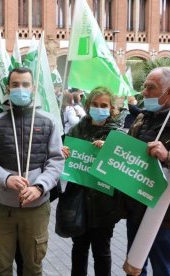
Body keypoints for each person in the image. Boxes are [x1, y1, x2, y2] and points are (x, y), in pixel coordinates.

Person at [0, 67, 65, 275]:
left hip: (36, 207)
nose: (20, 89)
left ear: (33, 88)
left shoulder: (48, 121)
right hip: (0, 206)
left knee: (33, 265)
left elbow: (56, 160)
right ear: (8, 88)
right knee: (1, 265)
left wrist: (40, 186)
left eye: (25, 84)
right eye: (15, 85)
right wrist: (5, 179)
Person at [61, 87, 124, 276]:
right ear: (87, 106)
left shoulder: (118, 134)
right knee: (79, 249)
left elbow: (122, 170)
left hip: (104, 205)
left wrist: (110, 150)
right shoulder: (77, 129)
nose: (99, 108)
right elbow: (64, 159)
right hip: (78, 201)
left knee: (102, 252)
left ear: (112, 108)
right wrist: (62, 152)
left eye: (103, 105)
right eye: (95, 105)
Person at [125, 67, 170, 276]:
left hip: (164, 214)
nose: (144, 93)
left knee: (163, 268)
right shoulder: (142, 118)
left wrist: (167, 157)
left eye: (151, 87)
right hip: (136, 206)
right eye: (144, 86)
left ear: (169, 93)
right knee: (134, 266)